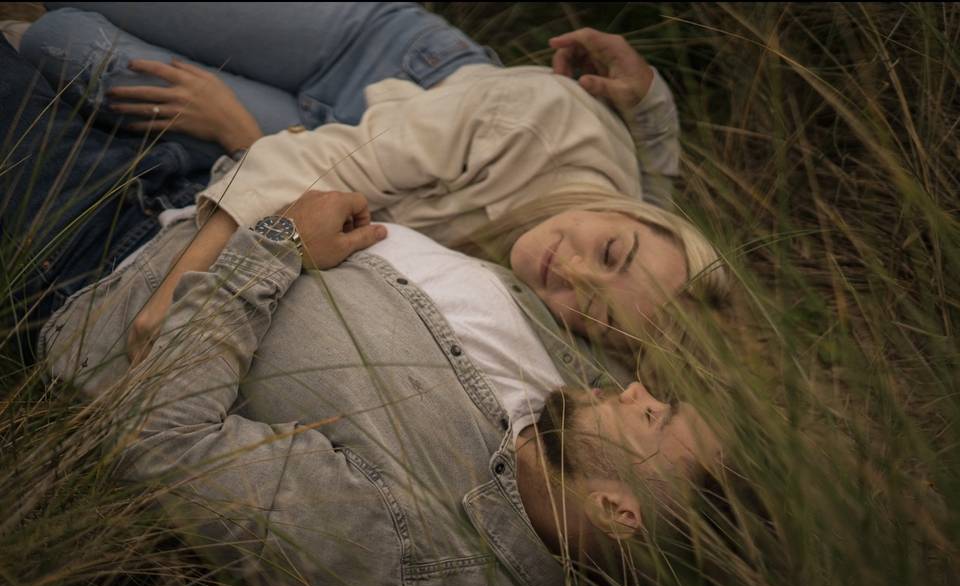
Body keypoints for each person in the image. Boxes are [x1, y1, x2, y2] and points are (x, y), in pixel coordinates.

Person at [39, 183, 725, 586]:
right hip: (223, 178)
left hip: (98, 248)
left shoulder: (404, 553)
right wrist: (648, 106)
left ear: (616, 511)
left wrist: (281, 244)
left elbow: (161, 435)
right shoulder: (575, 391)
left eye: (653, 419)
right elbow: (650, 252)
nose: (639, 390)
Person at [16, 3, 729, 361]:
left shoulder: (567, 326)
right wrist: (181, 291)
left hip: (331, 148)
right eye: (608, 252)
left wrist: (652, 109)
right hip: (383, 60)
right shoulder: (545, 120)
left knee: (65, 42)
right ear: (638, 217)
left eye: (589, 304)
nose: (565, 267)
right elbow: (328, 167)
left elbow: (647, 225)